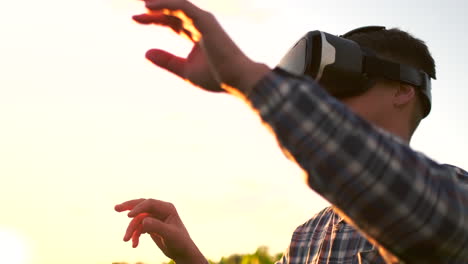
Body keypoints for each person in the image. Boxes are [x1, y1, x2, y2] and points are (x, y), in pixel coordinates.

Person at [114, 0, 468, 263]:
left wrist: (245, 76)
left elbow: (415, 209)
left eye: (344, 83)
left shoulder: (455, 198)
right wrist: (190, 255)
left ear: (404, 89)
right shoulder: (307, 236)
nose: (325, 100)